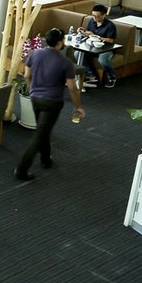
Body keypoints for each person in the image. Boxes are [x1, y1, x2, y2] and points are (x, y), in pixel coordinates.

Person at [16, 28, 85, 182]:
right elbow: (72, 88)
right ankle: (21, 169)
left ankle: (45, 160)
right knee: (40, 135)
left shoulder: (34, 53)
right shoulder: (65, 63)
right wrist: (78, 106)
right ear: (60, 43)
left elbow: (27, 75)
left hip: (35, 98)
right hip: (52, 102)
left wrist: (33, 88)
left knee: (43, 129)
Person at [79, 4, 119, 88]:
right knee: (77, 54)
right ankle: (91, 74)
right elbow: (88, 32)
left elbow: (111, 40)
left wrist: (95, 36)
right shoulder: (91, 21)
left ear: (104, 15)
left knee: (103, 60)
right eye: (93, 15)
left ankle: (112, 77)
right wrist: (83, 31)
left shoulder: (110, 25)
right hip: (92, 47)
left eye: (97, 16)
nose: (94, 18)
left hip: (106, 49)